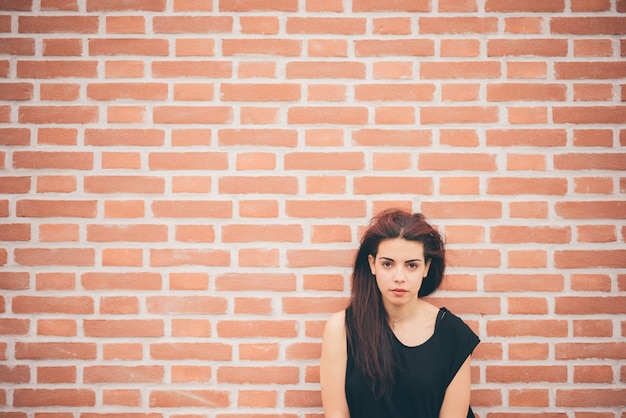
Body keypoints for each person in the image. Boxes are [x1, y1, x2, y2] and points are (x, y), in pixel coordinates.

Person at [320, 209, 480, 418]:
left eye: (411, 265)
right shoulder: (341, 329)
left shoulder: (453, 334)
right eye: (387, 264)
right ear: (372, 264)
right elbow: (337, 414)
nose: (399, 277)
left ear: (426, 268)